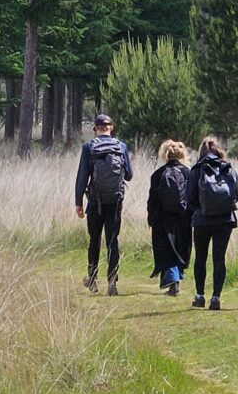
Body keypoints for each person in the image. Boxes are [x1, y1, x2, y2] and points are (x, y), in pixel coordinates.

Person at [73, 110, 133, 295]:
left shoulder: (89, 147)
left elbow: (83, 176)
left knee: (95, 240)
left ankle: (92, 279)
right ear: (111, 128)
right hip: (115, 201)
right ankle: (112, 282)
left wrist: (78, 202)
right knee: (113, 241)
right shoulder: (121, 147)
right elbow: (129, 175)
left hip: (95, 201)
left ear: (95, 129)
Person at [187, 135, 238, 311]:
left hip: (202, 220)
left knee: (200, 258)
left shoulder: (196, 170)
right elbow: (236, 195)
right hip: (225, 220)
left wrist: (201, 208)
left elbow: (190, 198)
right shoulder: (228, 169)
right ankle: (216, 297)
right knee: (219, 258)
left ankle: (200, 295)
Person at [146, 139, 192, 298]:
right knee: (180, 248)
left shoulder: (157, 174)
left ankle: (173, 282)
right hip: (183, 217)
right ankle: (176, 280)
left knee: (167, 249)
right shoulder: (188, 173)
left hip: (163, 218)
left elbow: (152, 199)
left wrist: (151, 218)